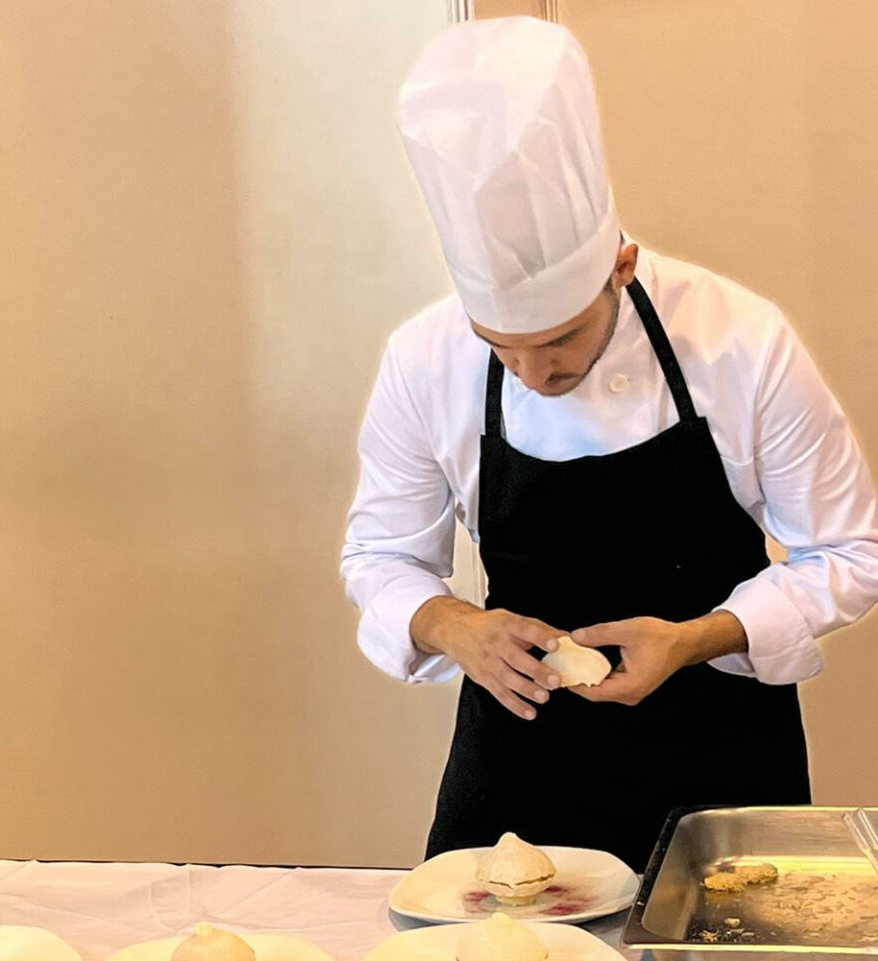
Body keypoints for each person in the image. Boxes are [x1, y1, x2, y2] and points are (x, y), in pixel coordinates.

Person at [340, 17, 878, 870]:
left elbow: (850, 553)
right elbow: (379, 554)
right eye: (499, 343)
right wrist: (449, 624)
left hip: (721, 753)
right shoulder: (425, 355)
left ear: (620, 268)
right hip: (517, 764)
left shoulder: (739, 339)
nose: (527, 372)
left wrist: (698, 637)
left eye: (556, 339)